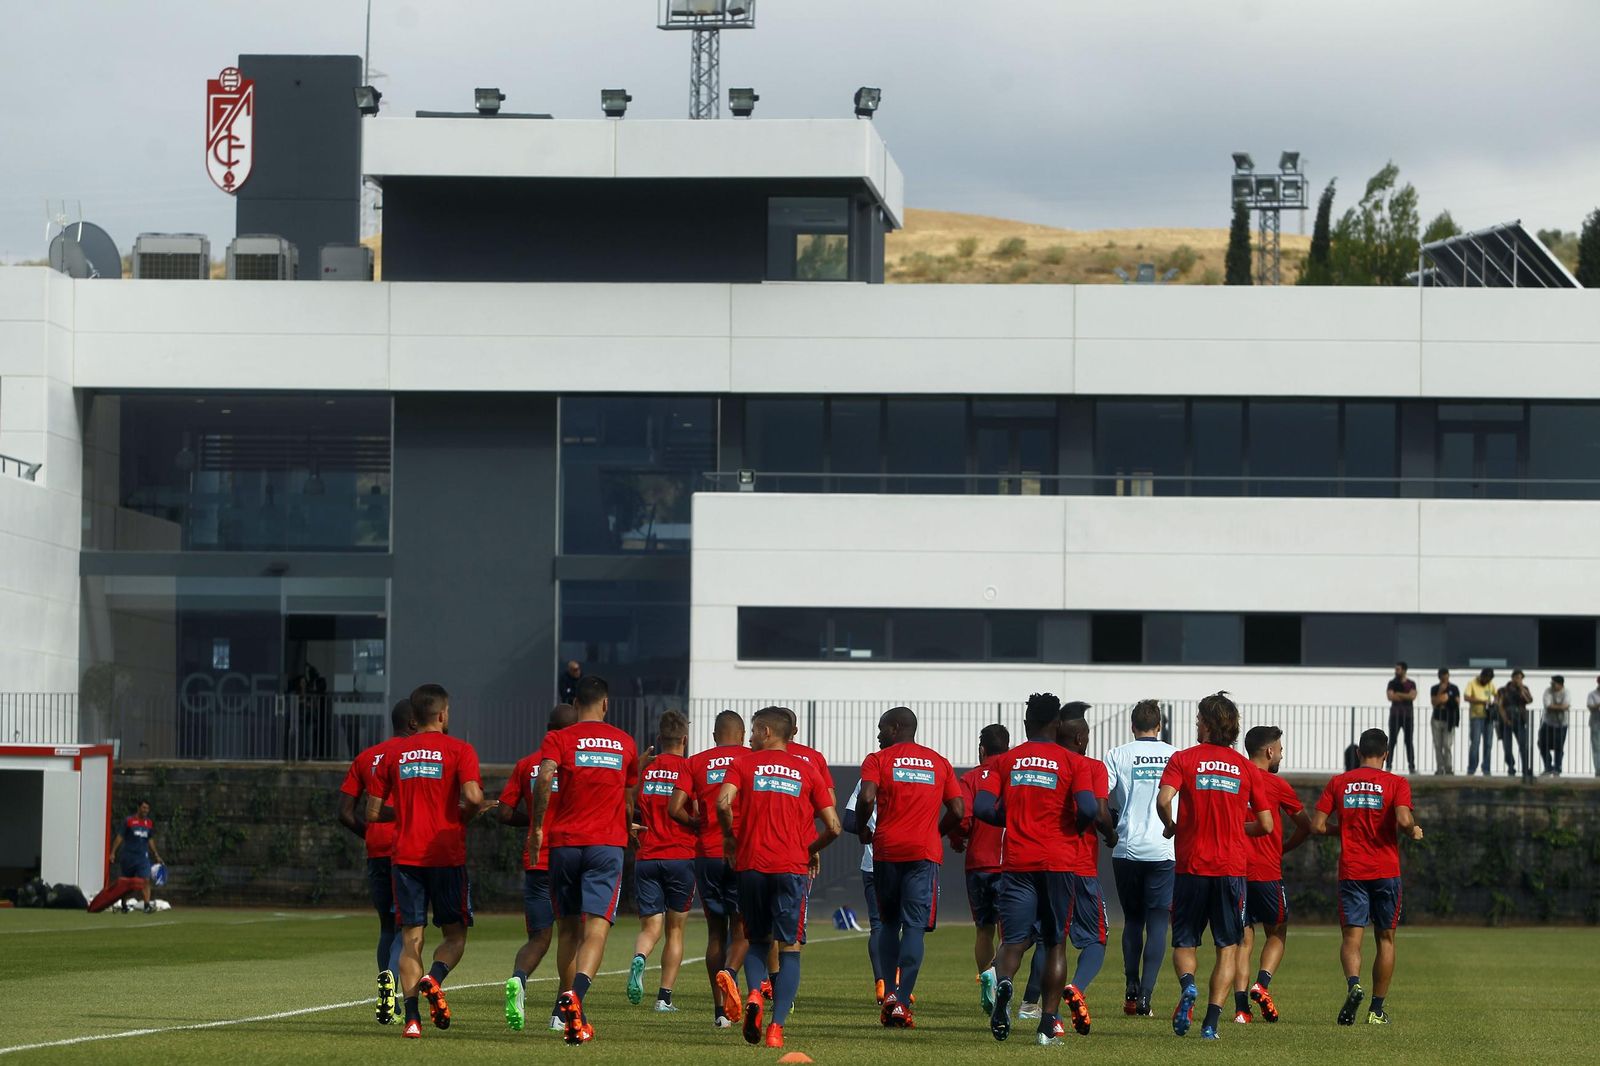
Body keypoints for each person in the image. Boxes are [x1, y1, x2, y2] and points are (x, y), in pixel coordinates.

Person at [366, 683, 494, 1040]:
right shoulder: (460, 750)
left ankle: (411, 1020)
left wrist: (406, 813)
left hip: (404, 856)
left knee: (411, 939)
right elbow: (471, 795)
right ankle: (433, 979)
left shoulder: (394, 754)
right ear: (441, 715)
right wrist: (468, 813)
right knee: (454, 936)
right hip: (446, 854)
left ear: (413, 719)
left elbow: (373, 811)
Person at [973, 692, 1098, 1046]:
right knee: (1055, 943)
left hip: (1017, 863)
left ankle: (1005, 985)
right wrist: (1071, 827)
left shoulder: (1005, 761)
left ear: (1026, 724)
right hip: (1059, 862)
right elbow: (1089, 809)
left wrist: (1011, 818)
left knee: (1013, 941)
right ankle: (1046, 1026)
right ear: (1057, 724)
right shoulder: (1074, 762)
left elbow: (982, 806)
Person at [717, 706, 843, 1049]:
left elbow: (721, 803)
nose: (751, 736)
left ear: (768, 732)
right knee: (790, 947)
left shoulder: (742, 764)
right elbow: (834, 826)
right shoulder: (807, 770)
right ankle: (776, 1029)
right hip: (790, 867)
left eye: (755, 730)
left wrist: (730, 836)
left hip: (751, 865)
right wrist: (808, 848)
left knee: (757, 940)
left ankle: (756, 992)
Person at [1156, 692, 1274, 1042]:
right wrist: (1240, 828)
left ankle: (1188, 987)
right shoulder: (1246, 768)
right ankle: (1210, 1022)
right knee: (1228, 947)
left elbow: (1164, 799)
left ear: (1207, 724)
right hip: (1230, 869)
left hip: (1191, 867)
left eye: (1198, 720)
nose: (1196, 725)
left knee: (1185, 942)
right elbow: (1266, 824)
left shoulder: (1183, 759)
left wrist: (1171, 824)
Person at [531, 675, 641, 1046]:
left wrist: (537, 829)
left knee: (568, 931)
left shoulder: (559, 738)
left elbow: (545, 777)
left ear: (576, 705)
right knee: (596, 930)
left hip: (564, 845)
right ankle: (574, 998)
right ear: (606, 704)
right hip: (606, 845)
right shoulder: (625, 743)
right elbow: (628, 800)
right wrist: (630, 830)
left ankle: (564, 1009)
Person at [855, 706, 964, 1028]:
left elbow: (866, 798)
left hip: (886, 852)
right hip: (923, 854)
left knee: (888, 924)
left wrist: (863, 829)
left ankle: (889, 992)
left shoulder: (878, 760)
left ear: (895, 727)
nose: (877, 735)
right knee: (914, 928)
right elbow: (958, 809)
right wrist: (936, 833)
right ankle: (902, 1003)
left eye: (881, 728)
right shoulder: (939, 762)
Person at [1311, 728, 1425, 1027]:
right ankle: (1376, 1010)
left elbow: (1318, 825)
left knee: (1352, 937)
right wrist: (1412, 828)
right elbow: (1402, 819)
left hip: (1352, 870)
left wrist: (1343, 830)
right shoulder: (1396, 783)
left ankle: (1353, 985)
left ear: (1359, 753)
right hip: (1386, 870)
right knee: (1386, 939)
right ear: (1386, 754)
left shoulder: (1339, 782)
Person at [496, 702, 579, 1033]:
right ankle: (561, 1013)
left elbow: (503, 811)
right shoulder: (578, 765)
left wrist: (532, 821)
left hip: (536, 860)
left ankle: (519, 978)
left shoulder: (526, 765)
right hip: (571, 857)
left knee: (538, 939)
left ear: (547, 728)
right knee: (571, 937)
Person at [336, 698, 416, 1025]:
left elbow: (343, 812)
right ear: (414, 722)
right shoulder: (413, 755)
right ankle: (393, 988)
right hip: (406, 848)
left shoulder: (367, 756)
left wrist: (370, 833)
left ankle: (385, 991)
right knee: (408, 925)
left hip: (376, 849)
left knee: (386, 925)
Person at [670, 709, 751, 1029]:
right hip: (742, 853)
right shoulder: (751, 759)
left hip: (706, 855)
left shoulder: (696, 762)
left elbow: (674, 808)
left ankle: (719, 1014)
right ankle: (729, 974)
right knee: (743, 930)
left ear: (715, 735)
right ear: (743, 735)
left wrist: (697, 825)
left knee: (715, 932)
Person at [1232, 725, 1311, 1024]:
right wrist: (1284, 848)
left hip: (1235, 871)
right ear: (1269, 751)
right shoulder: (1276, 785)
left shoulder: (1235, 778)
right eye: (1279, 748)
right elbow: (1304, 824)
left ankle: (1241, 1010)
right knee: (1277, 932)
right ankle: (1261, 984)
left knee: (1243, 940)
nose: (1281, 753)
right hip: (1266, 871)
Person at [1103, 699, 1176, 1018]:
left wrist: (1109, 832)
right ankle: (1146, 995)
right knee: (1158, 922)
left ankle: (1131, 987)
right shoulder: (1176, 755)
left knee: (1133, 920)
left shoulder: (1117, 754)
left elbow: (1100, 798)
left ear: (1132, 726)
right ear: (1159, 726)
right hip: (1163, 848)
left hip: (1127, 847)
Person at [629, 709, 698, 1013]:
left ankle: (639, 958)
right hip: (680, 856)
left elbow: (627, 801)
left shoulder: (645, 770)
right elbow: (695, 810)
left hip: (646, 855)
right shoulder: (689, 768)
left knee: (650, 927)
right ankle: (664, 997)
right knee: (676, 931)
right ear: (685, 738)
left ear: (659, 738)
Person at [1055, 716, 1119, 1036]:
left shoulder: (1046, 766)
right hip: (1080, 866)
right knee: (1096, 938)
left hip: (1044, 867)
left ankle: (1041, 1010)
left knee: (1051, 941)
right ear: (1080, 737)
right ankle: (1077, 988)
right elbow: (1100, 811)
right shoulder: (1092, 767)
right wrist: (1110, 834)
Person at [954, 723, 1010, 1017]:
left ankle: (986, 975)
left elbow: (962, 816)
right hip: (1010, 863)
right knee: (1010, 932)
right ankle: (1002, 980)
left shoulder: (971, 778)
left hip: (978, 863)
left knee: (983, 929)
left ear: (982, 749)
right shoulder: (1015, 774)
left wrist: (958, 838)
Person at [841, 777, 885, 1004]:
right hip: (909, 863)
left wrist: (866, 831)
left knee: (878, 925)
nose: (877, 738)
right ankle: (899, 985)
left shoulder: (867, 778)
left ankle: (881, 981)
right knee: (907, 926)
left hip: (874, 863)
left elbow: (848, 820)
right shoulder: (920, 771)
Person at [108, 800, 165, 914]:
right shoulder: (129, 821)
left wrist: (156, 855)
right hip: (128, 857)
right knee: (127, 883)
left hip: (142, 858)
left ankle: (147, 906)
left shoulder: (148, 823)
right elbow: (120, 837)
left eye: (147, 808)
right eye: (143, 808)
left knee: (146, 880)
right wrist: (113, 852)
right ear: (138, 808)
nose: (145, 811)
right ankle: (124, 905)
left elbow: (150, 839)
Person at [1498, 669, 1533, 778]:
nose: (1519, 680)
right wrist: (1505, 719)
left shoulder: (1524, 689)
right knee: (1507, 747)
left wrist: (1522, 688)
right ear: (1512, 677)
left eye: (1521, 678)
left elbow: (1529, 700)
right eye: (1517, 677)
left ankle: (1525, 769)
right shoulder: (1503, 690)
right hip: (1507, 720)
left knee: (1523, 745)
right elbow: (1500, 706)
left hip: (1520, 720)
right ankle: (1511, 767)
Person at [1384, 662, 1417, 774]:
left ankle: (1411, 767)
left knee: (1409, 741)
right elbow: (1390, 696)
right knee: (1392, 741)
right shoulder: (1392, 683)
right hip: (1395, 716)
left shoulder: (1411, 683)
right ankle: (1388, 766)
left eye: (1398, 669)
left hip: (1408, 716)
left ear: (1404, 670)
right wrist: (1405, 696)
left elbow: (1412, 696)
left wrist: (1398, 694)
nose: (1396, 671)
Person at [1464, 668, 1497, 776]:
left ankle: (1486, 768)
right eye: (1485, 679)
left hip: (1488, 717)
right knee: (1475, 743)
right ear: (1481, 676)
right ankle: (1472, 768)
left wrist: (1494, 702)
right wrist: (1482, 701)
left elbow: (1497, 694)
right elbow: (1466, 697)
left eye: (1488, 680)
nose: (1486, 681)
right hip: (1476, 717)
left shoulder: (1490, 684)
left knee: (1488, 744)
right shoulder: (1472, 683)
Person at [1429, 669, 1461, 776]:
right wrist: (1440, 693)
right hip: (1437, 718)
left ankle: (1448, 768)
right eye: (1442, 677)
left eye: (1446, 676)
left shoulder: (1454, 688)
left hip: (1449, 719)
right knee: (1438, 745)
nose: (1444, 679)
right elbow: (1434, 702)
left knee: (1447, 745)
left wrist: (1447, 699)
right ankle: (1440, 767)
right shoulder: (1434, 688)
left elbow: (1457, 702)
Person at [1539, 676, 1570, 777]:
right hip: (1548, 722)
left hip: (1562, 724)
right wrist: (1560, 708)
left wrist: (1554, 707)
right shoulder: (1547, 691)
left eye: (1554, 683)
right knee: (1542, 744)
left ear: (1560, 684)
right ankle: (1548, 767)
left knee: (1559, 746)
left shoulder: (1566, 692)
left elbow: (1567, 705)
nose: (1551, 685)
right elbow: (1547, 705)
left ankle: (1557, 768)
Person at [1590, 677, 1600, 778]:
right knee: (1597, 747)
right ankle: (1598, 770)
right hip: (1596, 722)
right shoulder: (1592, 694)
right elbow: (1590, 706)